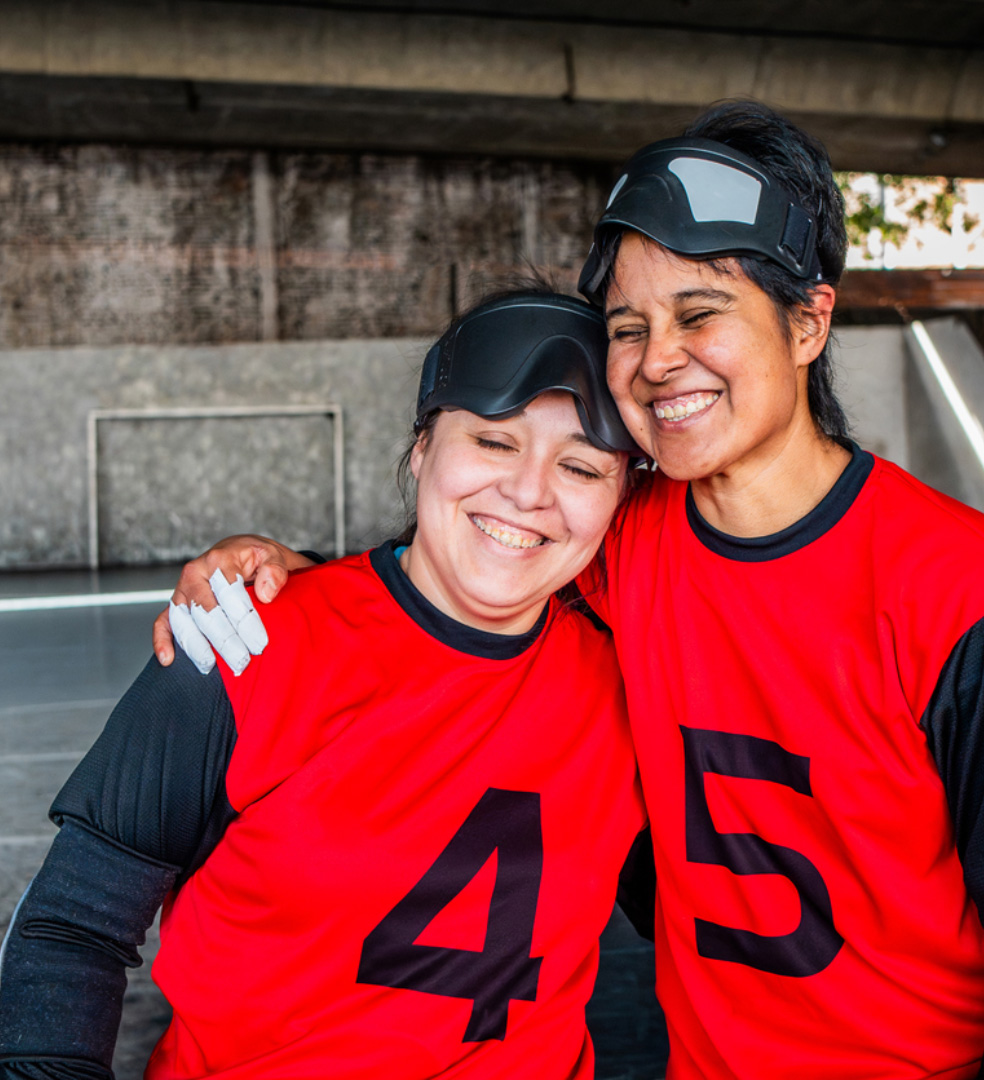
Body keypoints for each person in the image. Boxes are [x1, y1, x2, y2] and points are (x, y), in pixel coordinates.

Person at [151, 102, 984, 1078]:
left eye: (701, 313)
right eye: (629, 327)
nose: (657, 359)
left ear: (809, 321)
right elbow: (463, 571)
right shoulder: (620, 541)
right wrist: (285, 566)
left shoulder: (973, 603)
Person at [0, 290, 648, 1080]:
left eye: (580, 465)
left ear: (621, 498)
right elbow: (70, 928)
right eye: (493, 440)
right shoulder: (244, 641)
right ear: (421, 450)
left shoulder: (633, 684)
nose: (528, 491)